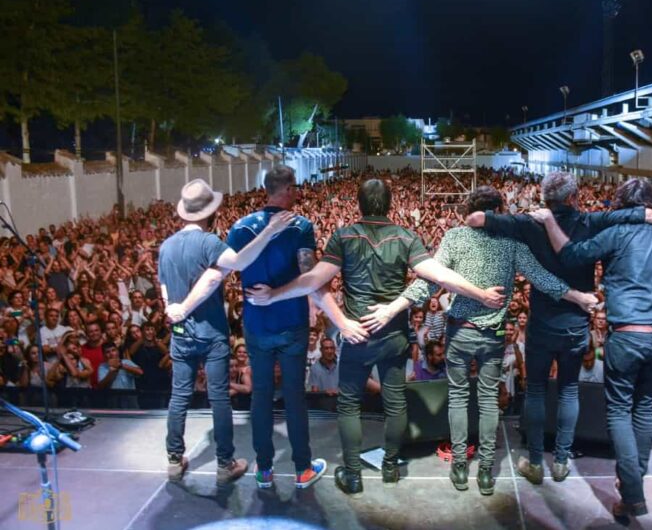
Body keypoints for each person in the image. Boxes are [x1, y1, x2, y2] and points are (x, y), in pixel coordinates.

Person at [246, 178, 505, 498]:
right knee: (395, 403)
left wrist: (273, 295)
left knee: (349, 404)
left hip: (356, 335)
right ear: (390, 204)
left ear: (359, 203)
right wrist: (480, 293)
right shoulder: (406, 236)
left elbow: (313, 280)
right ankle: (391, 466)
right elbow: (439, 276)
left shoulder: (343, 236)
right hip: (394, 335)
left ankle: (352, 474)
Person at [367, 186, 596, 496]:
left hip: (460, 332)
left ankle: (460, 467)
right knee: (489, 400)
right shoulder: (511, 242)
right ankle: (486, 471)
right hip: (493, 335)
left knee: (459, 398)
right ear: (497, 211)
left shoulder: (454, 237)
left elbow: (431, 280)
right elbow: (541, 279)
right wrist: (577, 296)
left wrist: (394, 306)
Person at [465, 170, 652, 484]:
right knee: (569, 390)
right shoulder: (592, 221)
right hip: (577, 324)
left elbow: (475, 219)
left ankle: (534, 461)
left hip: (542, 323)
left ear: (545, 199)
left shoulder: (529, 223)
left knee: (537, 391)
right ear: (573, 197)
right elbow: (644, 214)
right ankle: (561, 461)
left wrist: (522, 216)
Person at [531, 179, 652, 522]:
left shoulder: (618, 233)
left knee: (620, 410)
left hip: (627, 335)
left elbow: (572, 254)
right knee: (645, 405)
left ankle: (633, 494)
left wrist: (549, 221)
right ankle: (633, 478)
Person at [227, 166, 355, 490]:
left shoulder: (241, 227)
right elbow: (309, 276)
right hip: (291, 325)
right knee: (295, 397)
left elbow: (231, 267)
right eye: (294, 188)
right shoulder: (300, 227)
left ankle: (264, 470)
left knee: (261, 396)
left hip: (256, 326)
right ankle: (302, 469)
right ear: (287, 190)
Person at [159, 178, 293, 484]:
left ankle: (174, 459)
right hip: (211, 334)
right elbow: (240, 260)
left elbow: (165, 287)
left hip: (180, 334)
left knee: (178, 396)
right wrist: (269, 231)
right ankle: (224, 464)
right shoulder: (208, 242)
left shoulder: (166, 247)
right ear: (209, 212)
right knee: (219, 398)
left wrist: (173, 309)